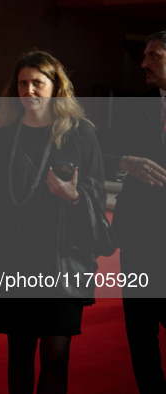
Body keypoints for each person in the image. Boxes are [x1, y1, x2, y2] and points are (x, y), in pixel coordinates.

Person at [0, 50, 105, 394]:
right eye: (23, 83)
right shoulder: (3, 133)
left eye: (37, 83)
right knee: (20, 353)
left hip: (62, 258)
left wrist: (73, 196)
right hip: (16, 258)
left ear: (56, 87)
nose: (29, 91)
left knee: (56, 356)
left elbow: (97, 193)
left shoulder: (80, 132)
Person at [104, 30, 166, 393]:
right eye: (144, 56)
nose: (143, 63)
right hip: (139, 240)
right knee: (140, 335)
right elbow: (102, 155)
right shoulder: (134, 105)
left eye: (153, 56)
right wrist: (124, 161)